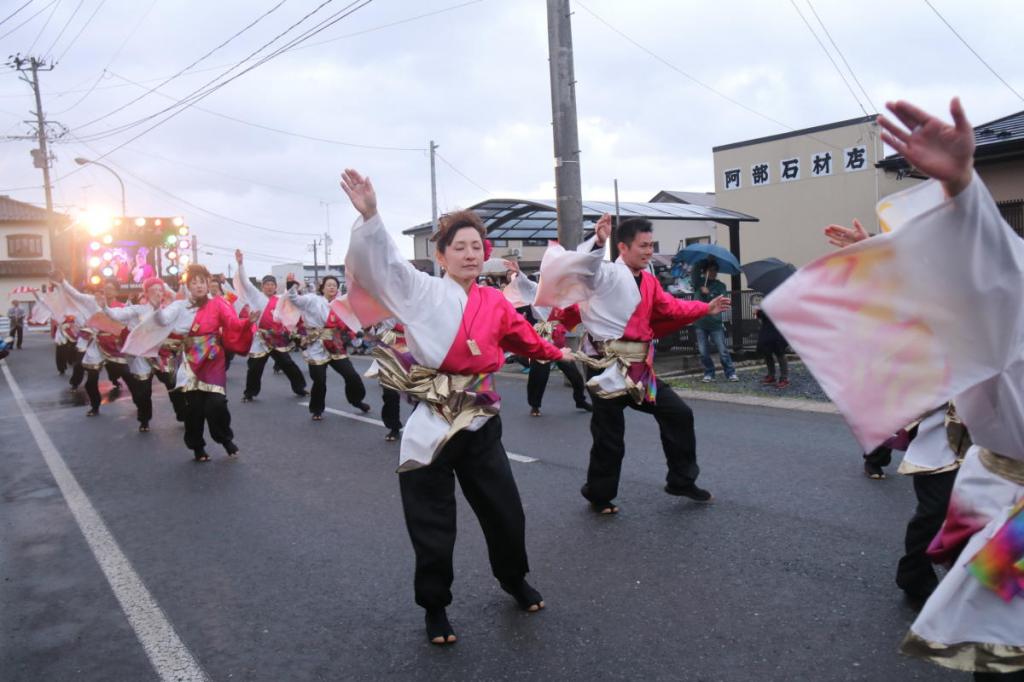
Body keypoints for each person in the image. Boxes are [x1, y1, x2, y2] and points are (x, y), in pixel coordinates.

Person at [818, 98, 1024, 679]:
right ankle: (917, 576)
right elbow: (983, 261)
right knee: (988, 615)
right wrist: (961, 184)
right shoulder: (1000, 288)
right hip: (980, 458)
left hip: (984, 460)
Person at [342, 168, 570, 646]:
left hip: (481, 419)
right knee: (432, 524)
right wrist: (371, 216)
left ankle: (512, 578)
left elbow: (524, 339)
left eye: (476, 246)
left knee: (505, 511)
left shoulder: (495, 300)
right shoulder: (420, 291)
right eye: (459, 247)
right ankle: (435, 606)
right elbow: (382, 264)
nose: (470, 254)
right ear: (440, 255)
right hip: (432, 422)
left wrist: (559, 353)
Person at [536, 216, 731, 513]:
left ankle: (681, 479)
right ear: (623, 247)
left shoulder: (650, 281)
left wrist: (705, 307)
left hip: (639, 367)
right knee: (609, 434)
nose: (649, 251)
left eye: (651, 245)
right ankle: (599, 494)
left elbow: (670, 307)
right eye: (643, 245)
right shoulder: (606, 274)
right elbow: (585, 270)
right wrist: (598, 242)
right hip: (605, 365)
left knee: (678, 413)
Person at [124, 264, 254, 461]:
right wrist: (156, 306)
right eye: (194, 283)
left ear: (208, 283)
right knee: (194, 408)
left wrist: (248, 322)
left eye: (202, 281)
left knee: (217, 403)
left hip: (213, 358)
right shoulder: (179, 306)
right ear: (188, 286)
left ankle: (225, 439)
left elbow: (232, 323)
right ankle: (197, 447)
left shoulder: (218, 303)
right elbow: (162, 321)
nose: (199, 286)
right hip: (190, 360)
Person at [504, 260, 591, 416]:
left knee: (574, 375)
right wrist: (518, 272)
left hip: (557, 337)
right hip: (543, 334)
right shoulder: (537, 291)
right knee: (539, 375)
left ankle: (580, 400)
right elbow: (525, 284)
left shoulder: (564, 296)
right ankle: (535, 405)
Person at [280, 273, 370, 421]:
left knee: (351, 375)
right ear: (322, 288)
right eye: (329, 285)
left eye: (334, 285)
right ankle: (316, 409)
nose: (332, 288)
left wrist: (356, 334)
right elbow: (295, 299)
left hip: (335, 345)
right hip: (316, 345)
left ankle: (356, 400)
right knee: (319, 380)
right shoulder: (312, 299)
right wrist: (291, 285)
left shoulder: (341, 304)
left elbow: (351, 321)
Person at [53, 275, 134, 416]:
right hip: (96, 345)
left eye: (110, 289)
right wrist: (63, 282)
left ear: (116, 292)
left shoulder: (123, 308)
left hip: (114, 347)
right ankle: (95, 406)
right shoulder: (93, 302)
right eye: (105, 288)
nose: (106, 291)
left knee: (127, 375)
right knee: (91, 380)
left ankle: (140, 401)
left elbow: (130, 326)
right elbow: (76, 295)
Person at [101, 277, 175, 432]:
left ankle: (182, 413)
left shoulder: (170, 310)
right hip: (142, 356)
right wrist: (106, 308)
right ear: (146, 293)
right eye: (153, 290)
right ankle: (144, 419)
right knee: (143, 391)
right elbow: (118, 314)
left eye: (159, 290)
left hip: (161, 355)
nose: (157, 293)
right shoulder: (138, 310)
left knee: (172, 385)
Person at [233, 251, 308, 402]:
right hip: (260, 339)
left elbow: (294, 297)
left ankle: (300, 388)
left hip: (277, 338)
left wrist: (290, 284)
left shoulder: (280, 299)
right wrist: (240, 264)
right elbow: (245, 282)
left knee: (287, 363)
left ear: (275, 286)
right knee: (255, 367)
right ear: (262, 286)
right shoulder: (256, 296)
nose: (269, 287)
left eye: (272, 284)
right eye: (267, 284)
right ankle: (249, 393)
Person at [691, 259, 737, 382]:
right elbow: (694, 272)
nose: (713, 273)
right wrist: (704, 259)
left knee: (722, 350)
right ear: (705, 271)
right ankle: (709, 373)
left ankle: (730, 372)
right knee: (703, 351)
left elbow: (722, 299)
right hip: (700, 322)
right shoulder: (698, 283)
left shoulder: (720, 285)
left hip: (715, 323)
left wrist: (709, 293)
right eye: (710, 270)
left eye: (715, 271)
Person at [754, 306, 788, 388]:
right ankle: (771, 375)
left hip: (779, 328)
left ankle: (784, 378)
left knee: (780, 352)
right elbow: (760, 315)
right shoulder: (765, 299)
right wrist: (757, 312)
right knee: (766, 351)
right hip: (767, 328)